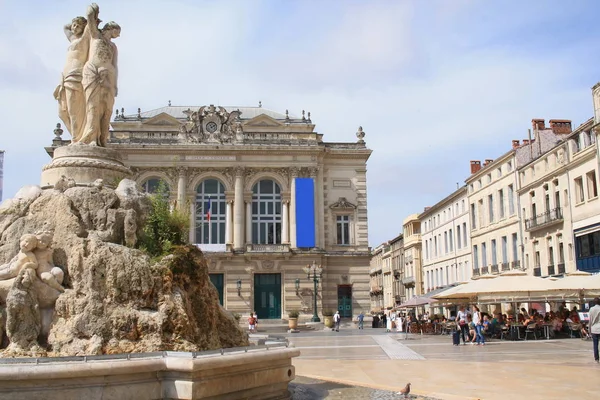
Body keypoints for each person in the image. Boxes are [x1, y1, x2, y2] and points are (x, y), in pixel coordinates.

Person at [79, 3, 121, 146]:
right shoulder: (95, 36)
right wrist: (94, 9)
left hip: (108, 78)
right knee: (92, 106)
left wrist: (114, 85)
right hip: (92, 72)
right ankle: (91, 136)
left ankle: (102, 139)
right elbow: (90, 17)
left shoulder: (113, 46)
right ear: (111, 28)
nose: (118, 35)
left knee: (106, 110)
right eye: (117, 32)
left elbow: (115, 66)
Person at [54, 15, 90, 142]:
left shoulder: (86, 39)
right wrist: (75, 23)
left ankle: (77, 138)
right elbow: (65, 27)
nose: (74, 28)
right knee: (62, 112)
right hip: (65, 74)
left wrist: (88, 22)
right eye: (74, 25)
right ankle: (76, 137)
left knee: (74, 110)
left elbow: (91, 27)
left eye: (77, 25)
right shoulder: (73, 39)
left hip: (76, 73)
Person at [589, 297, 600, 363]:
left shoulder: (591, 309)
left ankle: (596, 358)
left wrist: (589, 330)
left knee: (595, 344)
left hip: (594, 329)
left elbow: (590, 320)